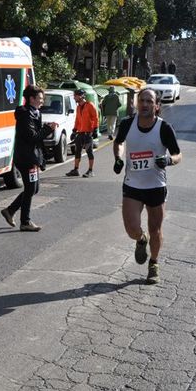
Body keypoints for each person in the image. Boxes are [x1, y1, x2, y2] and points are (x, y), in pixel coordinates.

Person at [112, 88, 181, 284]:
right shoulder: (127, 124)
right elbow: (119, 143)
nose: (144, 104)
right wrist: (118, 158)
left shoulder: (164, 128)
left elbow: (178, 155)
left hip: (156, 186)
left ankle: (154, 263)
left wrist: (168, 160)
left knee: (155, 229)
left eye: (149, 101)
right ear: (136, 103)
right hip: (132, 185)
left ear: (156, 106)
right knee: (131, 228)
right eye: (141, 100)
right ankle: (141, 241)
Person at [0, 85, 57, 232]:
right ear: (31, 99)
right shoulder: (26, 115)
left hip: (32, 156)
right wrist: (48, 129)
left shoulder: (34, 113)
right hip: (26, 157)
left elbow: (35, 134)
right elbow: (32, 137)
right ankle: (25, 221)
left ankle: (10, 210)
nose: (42, 101)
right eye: (40, 98)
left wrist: (45, 127)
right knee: (31, 188)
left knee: (34, 188)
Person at [66, 89, 99, 178]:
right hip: (80, 132)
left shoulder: (90, 105)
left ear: (81, 96)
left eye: (75, 96)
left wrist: (95, 129)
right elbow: (77, 119)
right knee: (77, 151)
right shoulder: (78, 107)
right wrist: (74, 130)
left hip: (88, 133)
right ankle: (76, 169)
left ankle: (91, 171)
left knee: (89, 152)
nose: (74, 97)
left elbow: (95, 117)